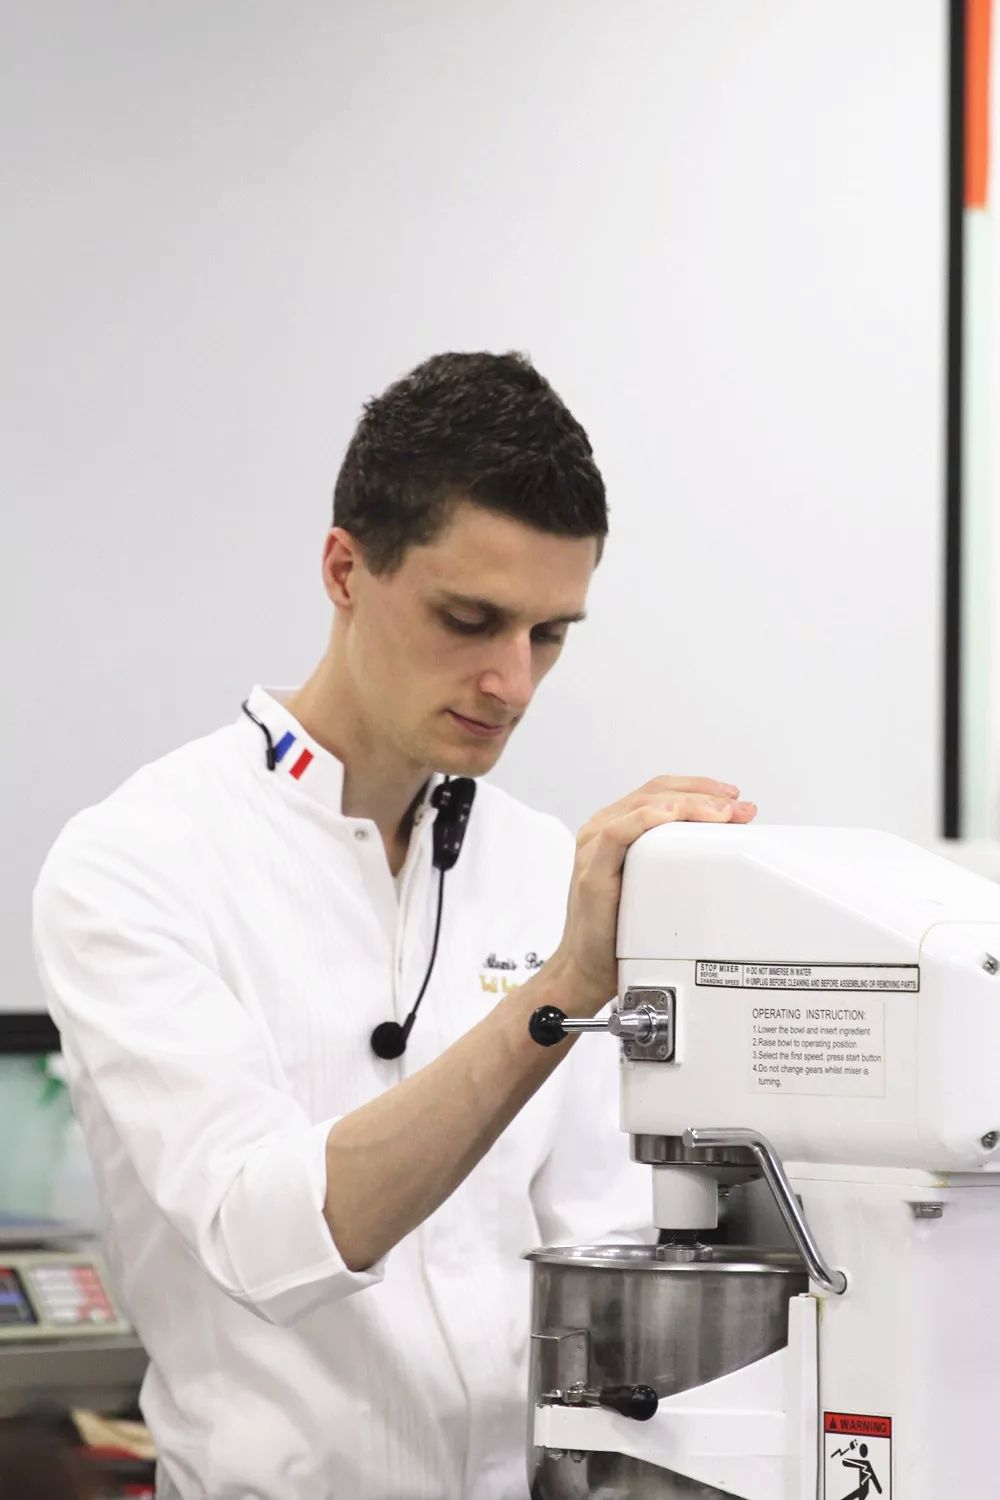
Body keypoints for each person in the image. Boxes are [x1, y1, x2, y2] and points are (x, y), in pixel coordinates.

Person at [33, 351, 757, 1500]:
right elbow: (269, 1237)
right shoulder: (136, 864)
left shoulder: (537, 862)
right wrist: (559, 992)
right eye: (470, 619)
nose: (512, 682)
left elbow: (610, 1249)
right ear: (344, 570)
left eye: (549, 634)